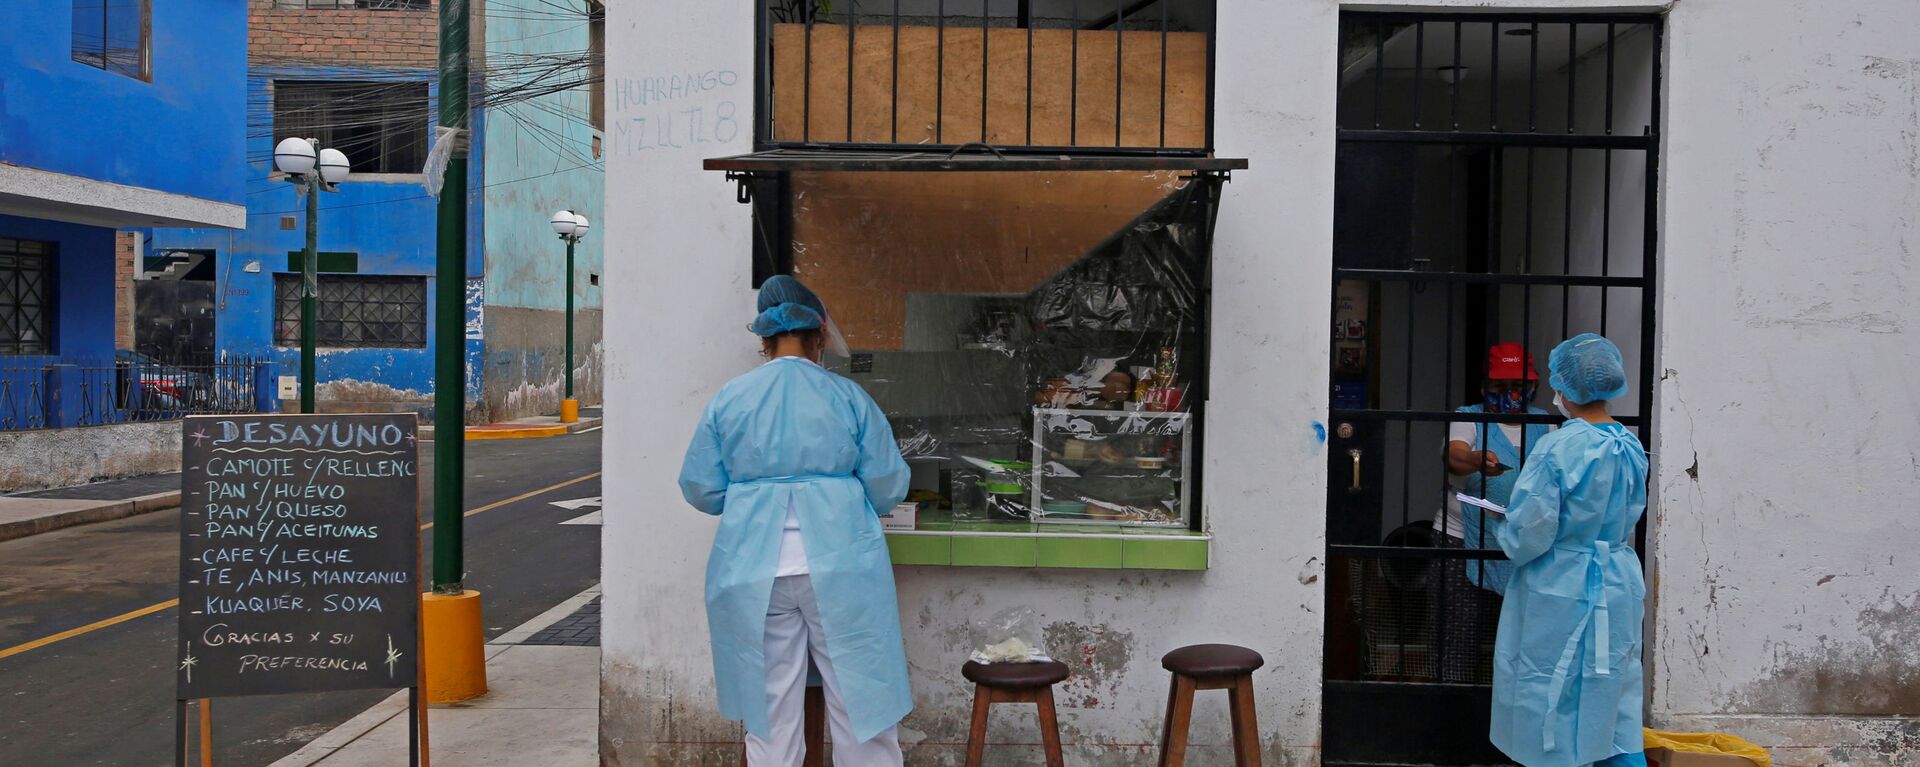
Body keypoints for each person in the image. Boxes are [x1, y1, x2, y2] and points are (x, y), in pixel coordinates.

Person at [679, 276, 913, 767]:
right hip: (841, 565)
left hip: (753, 570)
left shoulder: (730, 399)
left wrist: (752, 496)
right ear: (821, 335)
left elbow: (701, 487)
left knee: (770, 713)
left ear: (763, 340)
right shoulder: (848, 397)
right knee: (862, 703)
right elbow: (888, 484)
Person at [1490, 333, 1648, 767]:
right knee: (1612, 689)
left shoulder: (1558, 447)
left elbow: (1529, 532)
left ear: (1562, 388)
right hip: (1616, 579)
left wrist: (1503, 523)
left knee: (1550, 691)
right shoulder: (1630, 445)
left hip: (1560, 585)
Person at [1431, 343, 1553, 683]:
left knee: (1521, 639)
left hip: (1524, 546)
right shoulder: (1468, 417)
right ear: (1484, 387)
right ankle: (1452, 702)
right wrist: (1475, 460)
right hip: (1461, 540)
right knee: (1459, 632)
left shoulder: (1547, 424)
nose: (1510, 395)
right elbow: (1454, 455)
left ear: (1533, 387)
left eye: (1519, 387)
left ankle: (1506, 713)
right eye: (1500, 388)